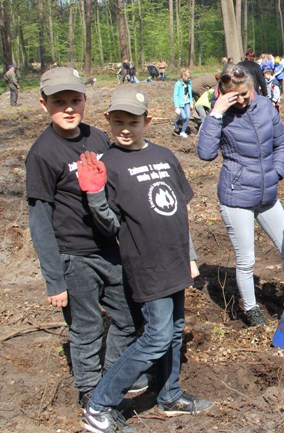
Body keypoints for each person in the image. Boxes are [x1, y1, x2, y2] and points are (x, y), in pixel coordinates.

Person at [77, 87, 212, 432]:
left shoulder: (166, 156)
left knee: (176, 331)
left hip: (175, 258)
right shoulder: (109, 165)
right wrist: (94, 195)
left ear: (147, 121)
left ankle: (169, 395)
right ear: (107, 121)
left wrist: (191, 256)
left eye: (133, 122)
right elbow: (110, 225)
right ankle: (99, 405)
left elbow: (178, 212)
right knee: (156, 335)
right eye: (118, 121)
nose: (125, 128)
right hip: (145, 262)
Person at [25, 67, 139, 407]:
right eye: (60, 102)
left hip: (109, 249)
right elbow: (40, 220)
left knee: (129, 315)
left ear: (85, 101)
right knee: (87, 327)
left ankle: (113, 374)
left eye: (76, 100)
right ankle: (91, 392)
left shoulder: (98, 138)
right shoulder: (43, 154)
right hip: (74, 257)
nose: (70, 108)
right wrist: (54, 280)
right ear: (44, 104)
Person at [196, 65, 284, 327]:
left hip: (267, 194)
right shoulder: (221, 115)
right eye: (234, 96)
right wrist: (217, 113)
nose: (241, 100)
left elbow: (281, 143)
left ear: (252, 87)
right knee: (246, 260)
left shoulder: (265, 106)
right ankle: (252, 310)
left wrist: (277, 171)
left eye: (244, 93)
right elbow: (206, 153)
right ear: (222, 93)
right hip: (237, 197)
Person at [173, 68, 193, 138]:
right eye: (188, 77)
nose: (189, 79)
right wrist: (177, 107)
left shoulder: (189, 83)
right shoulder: (178, 84)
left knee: (187, 117)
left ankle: (183, 131)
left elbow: (190, 94)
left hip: (187, 102)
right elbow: (175, 95)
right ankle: (176, 124)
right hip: (180, 104)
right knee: (183, 117)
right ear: (183, 76)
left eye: (189, 77)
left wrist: (191, 103)